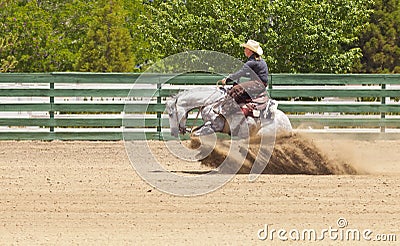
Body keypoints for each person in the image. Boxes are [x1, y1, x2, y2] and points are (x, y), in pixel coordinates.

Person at [221, 39, 269, 105]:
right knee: (238, 87)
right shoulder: (258, 60)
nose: (244, 50)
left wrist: (227, 79)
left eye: (245, 48)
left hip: (258, 84)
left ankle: (230, 110)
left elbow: (241, 72)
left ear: (249, 51)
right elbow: (252, 74)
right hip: (260, 84)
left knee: (235, 89)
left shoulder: (252, 62)